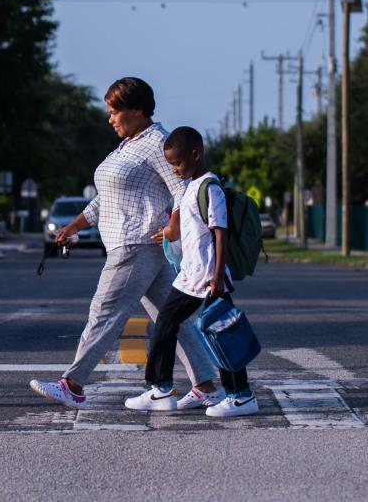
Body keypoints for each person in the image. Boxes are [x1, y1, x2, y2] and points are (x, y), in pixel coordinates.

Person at [29, 77, 220, 409]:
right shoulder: (128, 145)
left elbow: (184, 188)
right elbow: (105, 199)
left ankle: (73, 383)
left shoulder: (157, 143)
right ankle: (207, 385)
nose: (110, 118)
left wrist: (173, 224)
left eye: (115, 111)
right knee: (173, 318)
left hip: (135, 243)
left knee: (104, 312)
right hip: (135, 245)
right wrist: (74, 225)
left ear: (138, 109)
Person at [125, 126, 258, 416]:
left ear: (195, 155)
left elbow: (219, 232)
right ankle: (160, 388)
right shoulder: (190, 187)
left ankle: (241, 396)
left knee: (223, 333)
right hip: (190, 276)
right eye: (171, 163)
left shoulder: (210, 188)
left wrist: (218, 276)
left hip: (209, 277)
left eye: (177, 163)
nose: (174, 169)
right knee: (167, 324)